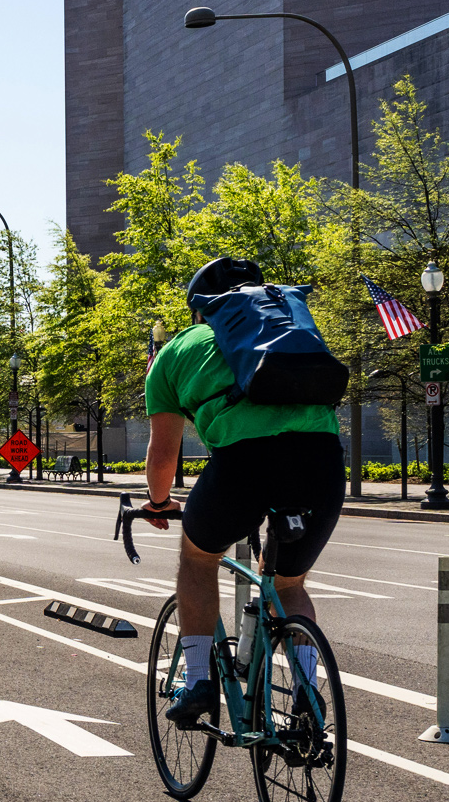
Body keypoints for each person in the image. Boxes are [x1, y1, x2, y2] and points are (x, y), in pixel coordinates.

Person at [141, 257, 344, 725]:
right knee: (289, 584)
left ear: (200, 309)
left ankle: (198, 683)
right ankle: (307, 696)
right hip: (322, 461)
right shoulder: (289, 328)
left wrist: (157, 502)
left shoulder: (176, 350)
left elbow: (163, 458)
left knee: (197, 558)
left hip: (244, 465)